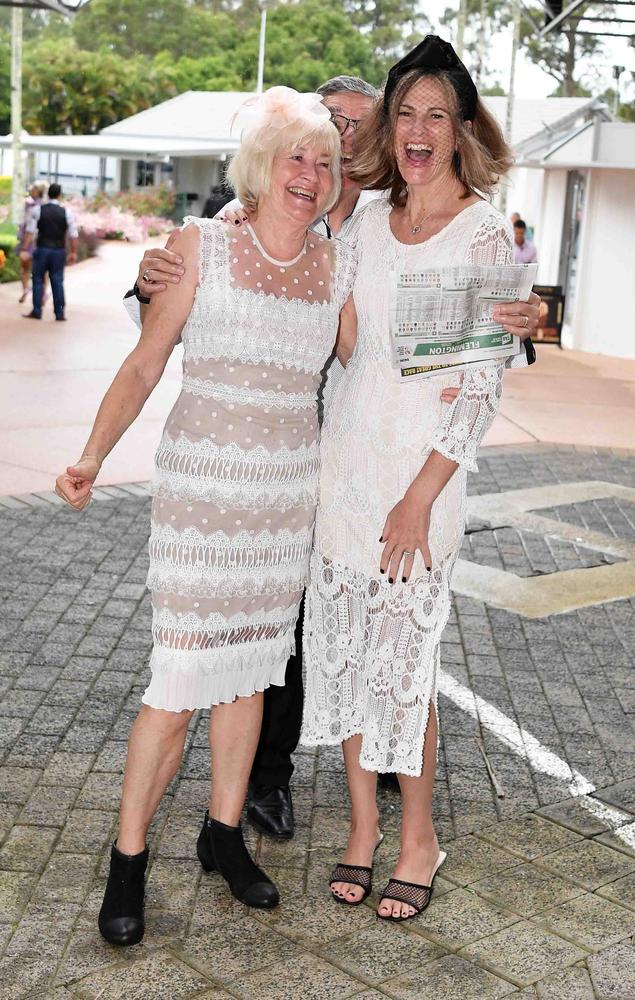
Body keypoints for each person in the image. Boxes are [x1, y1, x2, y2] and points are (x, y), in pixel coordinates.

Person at [126, 74, 541, 834]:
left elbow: (474, 346)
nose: (342, 141)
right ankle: (267, 785)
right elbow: (201, 271)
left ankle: (391, 803)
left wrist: (524, 307)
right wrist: (148, 278)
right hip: (287, 466)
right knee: (300, 643)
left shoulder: (381, 218)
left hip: (357, 457)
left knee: (372, 648)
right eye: (332, 126)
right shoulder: (273, 210)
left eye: (354, 126)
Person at [54, 87, 355, 946]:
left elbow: (388, 357)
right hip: (200, 501)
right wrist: (90, 455)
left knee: (254, 673)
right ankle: (128, 858)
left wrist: (505, 327)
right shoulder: (199, 250)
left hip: (282, 505)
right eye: (295, 157)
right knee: (177, 685)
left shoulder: (340, 270)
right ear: (260, 169)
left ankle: (223, 836)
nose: (310, 173)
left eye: (324, 163)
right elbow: (146, 362)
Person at [300, 35, 530, 923]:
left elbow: (479, 389)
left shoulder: (486, 232)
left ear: (461, 127)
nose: (419, 130)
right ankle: (362, 830)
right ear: (391, 128)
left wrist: (418, 498)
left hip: (421, 476)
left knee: (403, 663)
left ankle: (418, 838)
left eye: (438, 114)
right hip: (348, 461)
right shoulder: (364, 223)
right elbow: (349, 342)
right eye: (407, 113)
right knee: (351, 649)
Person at [22, 182, 78, 322]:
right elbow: (73, 234)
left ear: (49, 194)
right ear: (59, 195)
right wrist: (73, 252)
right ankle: (59, 313)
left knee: (37, 279)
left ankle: (37, 311)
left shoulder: (38, 210)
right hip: (58, 250)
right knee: (57, 280)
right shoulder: (67, 212)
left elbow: (30, 231)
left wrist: (24, 248)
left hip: (42, 249)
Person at [17, 183, 45, 305]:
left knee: (28, 267)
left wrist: (24, 245)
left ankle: (39, 293)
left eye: (33, 189)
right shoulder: (28, 204)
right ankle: (27, 290)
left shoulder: (35, 207)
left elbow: (30, 229)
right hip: (35, 240)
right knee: (27, 267)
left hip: (32, 241)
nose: (31, 191)